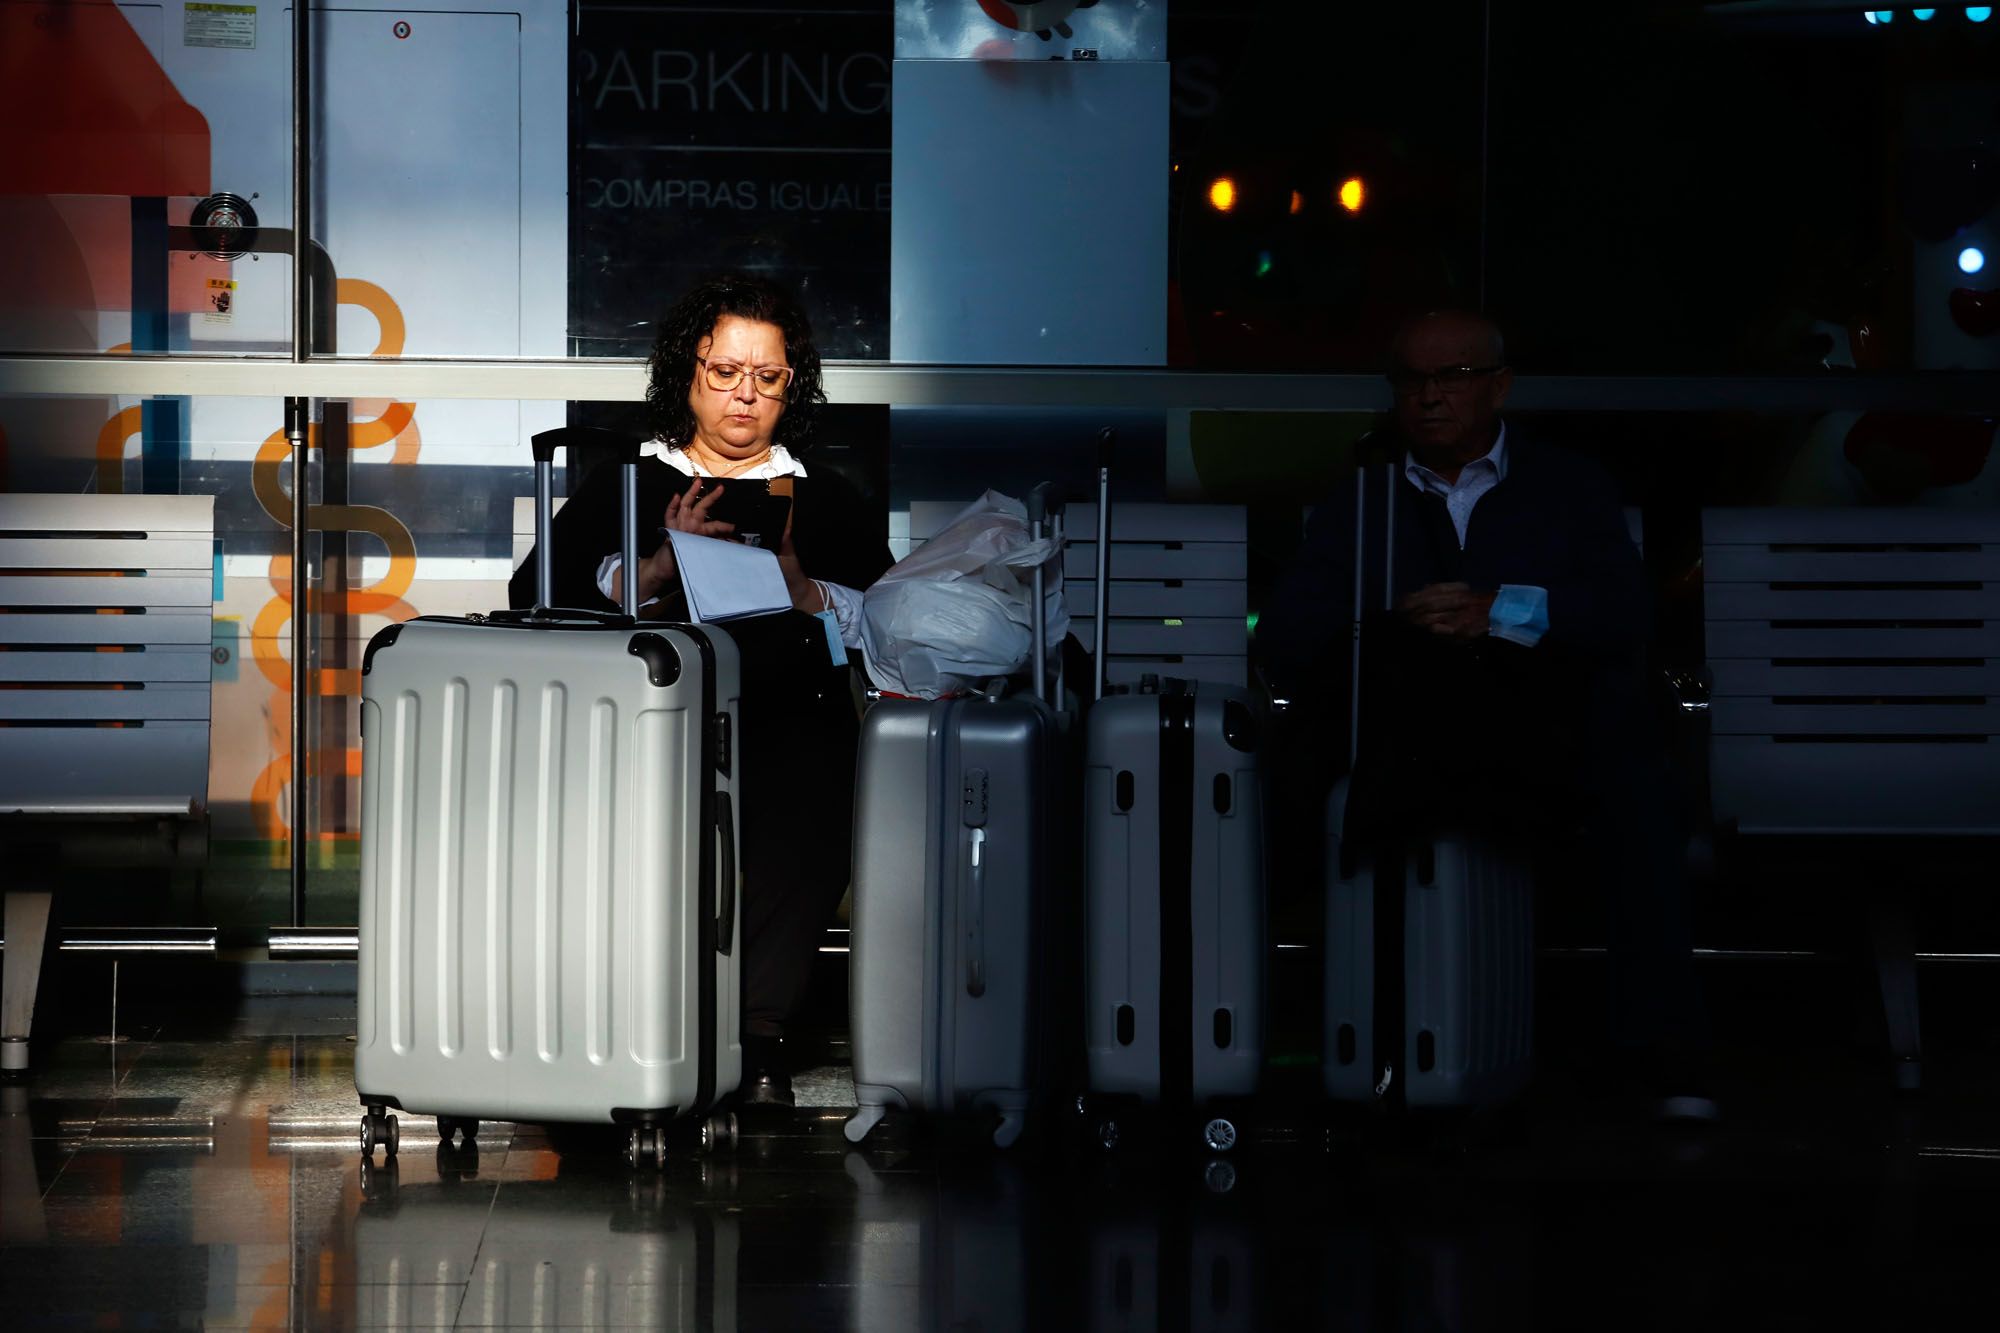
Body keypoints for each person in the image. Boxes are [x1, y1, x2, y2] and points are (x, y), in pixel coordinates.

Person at [1257, 309, 1715, 1121]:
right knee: (1283, 782)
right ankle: (1334, 1039)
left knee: (1637, 783)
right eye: (1412, 380)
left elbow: (1623, 617)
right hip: (1408, 729)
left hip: (1539, 725)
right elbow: (1292, 637)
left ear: (1498, 386)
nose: (1430, 398)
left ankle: (1658, 1049)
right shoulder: (1363, 493)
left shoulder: (1568, 485)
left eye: (1452, 378)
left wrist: (1500, 611)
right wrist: (1395, 621)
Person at [510, 273, 893, 1107]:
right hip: (650, 724)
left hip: (790, 720)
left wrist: (807, 594)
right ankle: (648, 1021)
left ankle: (760, 1039)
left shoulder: (822, 497)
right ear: (688, 371)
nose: (745, 395)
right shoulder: (630, 482)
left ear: (793, 385)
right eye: (726, 372)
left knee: (813, 779)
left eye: (767, 376)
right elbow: (534, 597)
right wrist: (647, 573)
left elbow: (899, 626)